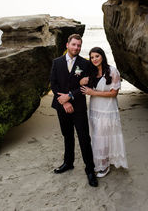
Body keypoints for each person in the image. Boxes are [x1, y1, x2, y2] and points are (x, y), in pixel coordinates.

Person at [50, 34, 98, 187]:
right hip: (61, 106)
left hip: (78, 106)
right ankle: (68, 163)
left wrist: (70, 97)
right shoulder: (57, 62)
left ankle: (90, 169)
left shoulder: (85, 63)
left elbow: (89, 83)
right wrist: (64, 102)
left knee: (84, 137)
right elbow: (54, 84)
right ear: (67, 45)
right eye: (74, 44)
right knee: (67, 135)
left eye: (79, 45)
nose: (76, 47)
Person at [80, 47, 128, 178]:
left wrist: (93, 92)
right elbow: (78, 78)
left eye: (97, 56)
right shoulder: (91, 71)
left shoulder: (112, 71)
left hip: (107, 109)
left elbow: (114, 93)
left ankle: (105, 165)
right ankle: (100, 162)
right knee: (96, 137)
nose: (94, 59)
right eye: (92, 57)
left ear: (102, 56)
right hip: (94, 109)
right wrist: (81, 81)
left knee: (104, 137)